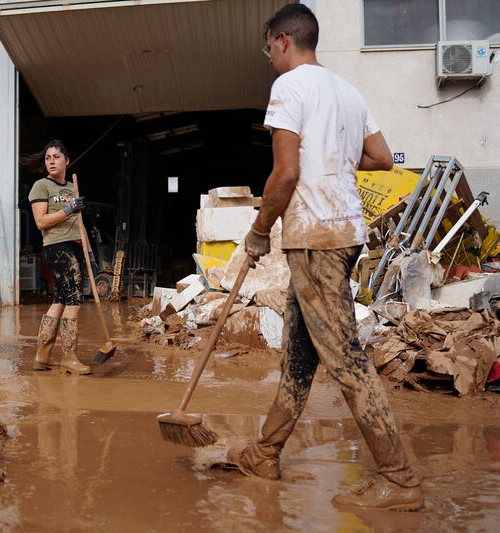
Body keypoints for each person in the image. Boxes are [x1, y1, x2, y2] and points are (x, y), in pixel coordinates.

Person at [230, 4, 423, 511]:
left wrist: (257, 230)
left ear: (282, 39)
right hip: (344, 231)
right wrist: (333, 154)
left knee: (347, 361)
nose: (268, 55)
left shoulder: (289, 88)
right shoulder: (347, 91)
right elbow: (381, 157)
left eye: (268, 46)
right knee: (299, 351)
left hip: (315, 236)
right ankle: (266, 451)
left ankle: (400, 479)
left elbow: (286, 174)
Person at [24, 140, 92, 375]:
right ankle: (69, 357)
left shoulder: (71, 188)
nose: (51, 161)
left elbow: (78, 223)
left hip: (74, 247)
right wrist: (68, 209)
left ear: (67, 160)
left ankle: (42, 356)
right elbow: (41, 222)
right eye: (47, 158)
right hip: (57, 246)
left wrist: (89, 249)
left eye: (56, 157)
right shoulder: (41, 186)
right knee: (74, 301)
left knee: (60, 300)